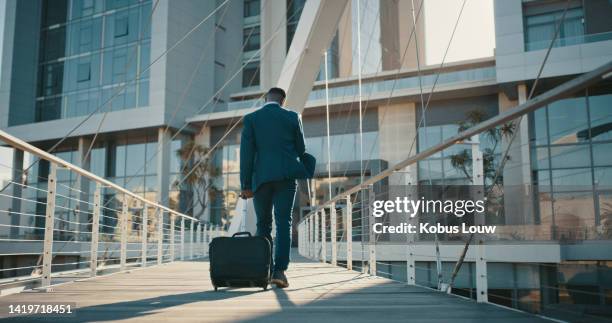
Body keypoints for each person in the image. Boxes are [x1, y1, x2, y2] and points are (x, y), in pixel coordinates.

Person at [239, 87, 310, 288]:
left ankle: (263, 269)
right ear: (282, 101)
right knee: (284, 222)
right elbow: (301, 149)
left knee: (263, 224)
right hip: (286, 177)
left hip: (260, 179)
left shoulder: (251, 119)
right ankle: (279, 271)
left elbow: (246, 154)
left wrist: (245, 184)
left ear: (265, 99)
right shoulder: (293, 117)